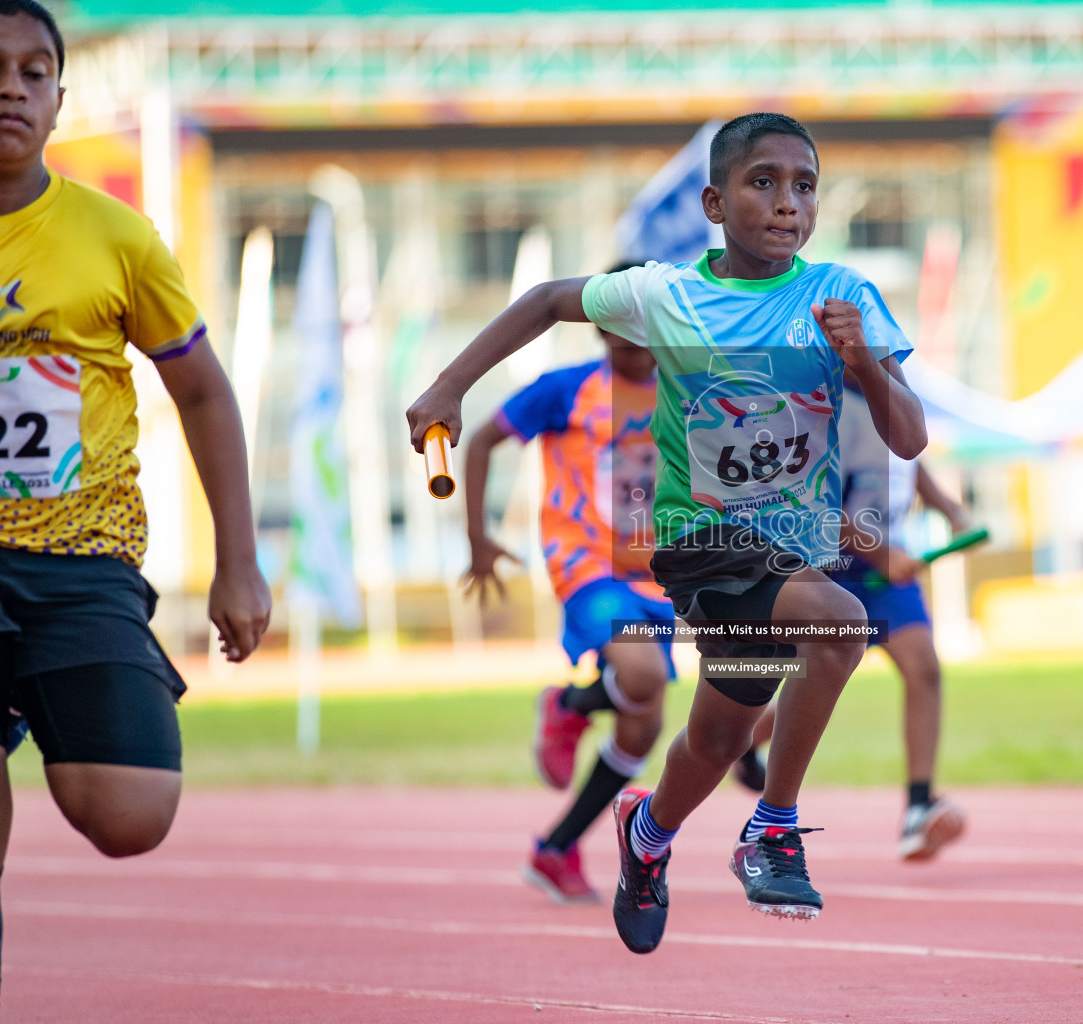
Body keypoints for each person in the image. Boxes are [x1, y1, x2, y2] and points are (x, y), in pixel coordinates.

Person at [408, 112, 927, 955]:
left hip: (793, 549)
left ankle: (646, 834)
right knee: (840, 626)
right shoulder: (668, 295)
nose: (787, 203)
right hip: (703, 542)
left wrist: (865, 361)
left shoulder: (845, 297)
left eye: (805, 186)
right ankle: (774, 828)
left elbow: (909, 436)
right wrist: (447, 387)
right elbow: (545, 302)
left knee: (720, 735)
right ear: (716, 202)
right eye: (764, 182)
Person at [0, 2, 271, 1018]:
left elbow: (203, 390)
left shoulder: (114, 235)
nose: (6, 87)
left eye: (29, 72)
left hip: (81, 553)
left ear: (60, 98)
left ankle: (13, 694)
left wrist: (239, 561)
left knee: (130, 810)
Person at [459, 285, 677, 904]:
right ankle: (571, 705)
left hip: (661, 579)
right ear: (604, 327)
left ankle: (555, 850)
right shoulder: (567, 389)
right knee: (641, 679)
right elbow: (480, 442)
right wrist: (479, 538)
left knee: (644, 726)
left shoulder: (686, 390)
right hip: (588, 566)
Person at [830, 375, 969, 860]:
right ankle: (740, 742)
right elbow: (814, 504)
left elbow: (909, 459)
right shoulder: (818, 405)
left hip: (888, 572)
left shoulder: (891, 400)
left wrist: (950, 508)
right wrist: (880, 553)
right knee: (808, 688)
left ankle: (918, 803)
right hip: (834, 569)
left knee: (923, 668)